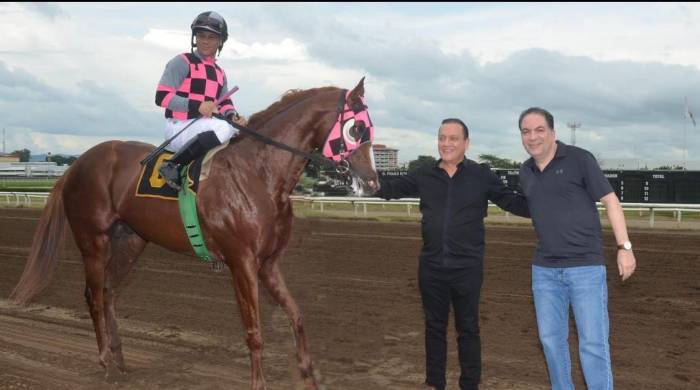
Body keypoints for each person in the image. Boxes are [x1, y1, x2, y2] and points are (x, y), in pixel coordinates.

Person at [375, 118, 530, 390]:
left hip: (467, 268)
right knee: (434, 328)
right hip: (431, 267)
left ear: (466, 143)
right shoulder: (424, 174)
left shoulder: (482, 175)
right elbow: (388, 189)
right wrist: (355, 172)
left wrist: (552, 201)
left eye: (453, 138)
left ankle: (470, 384)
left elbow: (512, 201)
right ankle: (434, 383)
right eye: (442, 138)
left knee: (468, 329)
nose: (446, 143)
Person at [517, 107, 637, 390]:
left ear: (553, 133)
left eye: (539, 130)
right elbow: (538, 207)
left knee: (593, 343)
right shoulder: (525, 171)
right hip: (544, 271)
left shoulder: (580, 159)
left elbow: (610, 201)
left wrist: (624, 246)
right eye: (525, 131)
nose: (532, 137)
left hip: (585, 268)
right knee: (550, 340)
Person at [154, 11, 247, 190]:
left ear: (220, 41)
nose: (205, 41)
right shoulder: (181, 62)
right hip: (179, 127)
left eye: (211, 37)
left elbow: (225, 102)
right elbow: (161, 97)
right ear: (195, 37)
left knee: (236, 128)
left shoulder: (220, 72)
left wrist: (233, 116)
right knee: (223, 127)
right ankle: (172, 165)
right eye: (201, 35)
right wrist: (198, 106)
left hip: (202, 127)